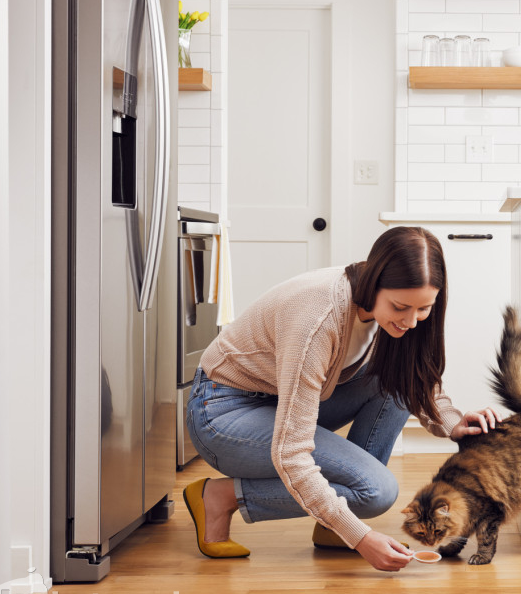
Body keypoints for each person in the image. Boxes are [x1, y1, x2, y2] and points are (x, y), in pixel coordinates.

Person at [182, 226, 499, 572]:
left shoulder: (388, 312)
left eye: (424, 309)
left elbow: (412, 376)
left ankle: (334, 526)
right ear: (374, 283)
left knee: (393, 380)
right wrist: (360, 536)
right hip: (223, 413)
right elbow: (292, 455)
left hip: (278, 401)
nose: (411, 321)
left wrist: (453, 423)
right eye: (400, 307)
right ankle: (220, 497)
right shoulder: (317, 319)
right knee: (376, 491)